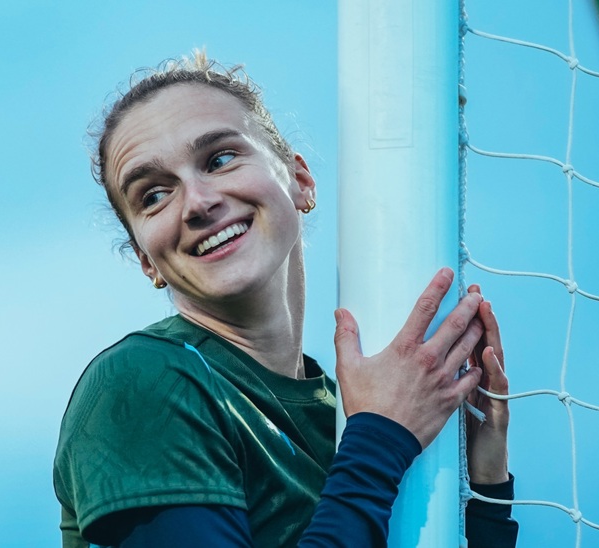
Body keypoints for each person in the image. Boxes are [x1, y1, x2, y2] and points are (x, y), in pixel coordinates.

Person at [53, 51, 518, 547]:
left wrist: (482, 488)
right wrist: (380, 439)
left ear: (301, 180)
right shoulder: (143, 382)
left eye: (220, 159)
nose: (198, 202)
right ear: (147, 260)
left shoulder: (353, 414)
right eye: (153, 195)